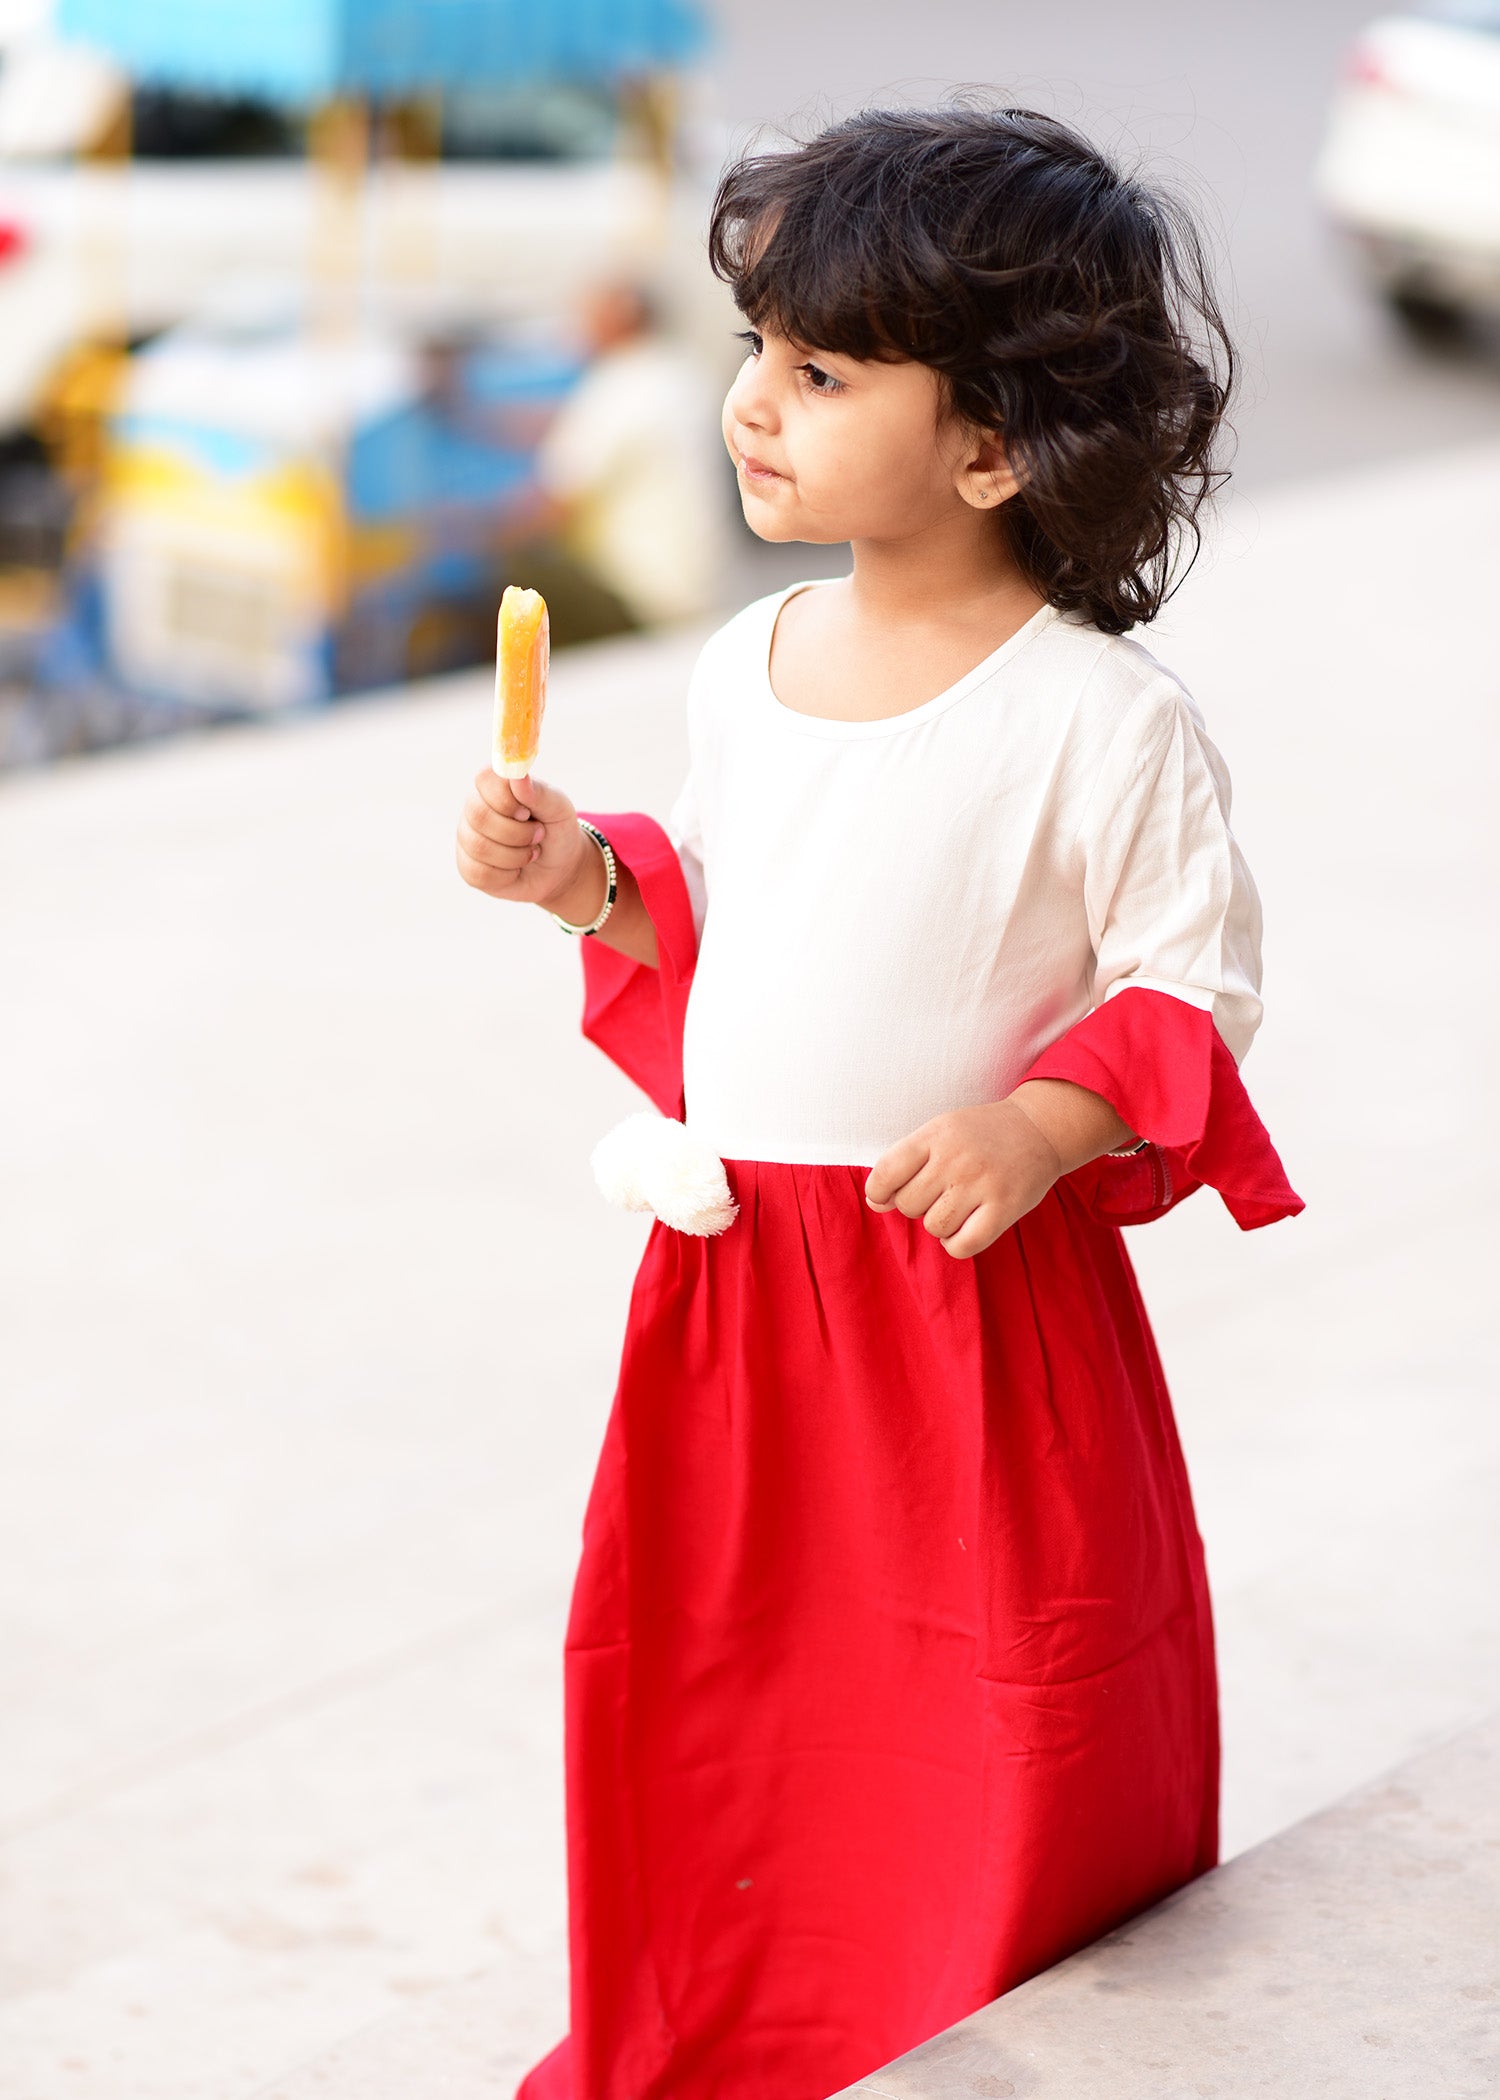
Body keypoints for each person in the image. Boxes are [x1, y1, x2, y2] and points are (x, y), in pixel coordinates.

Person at [455, 105, 1303, 2100]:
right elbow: (737, 926)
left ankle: (968, 1996)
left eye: (821, 374)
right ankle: (735, 2009)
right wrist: (585, 873)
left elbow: (1196, 975)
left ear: (994, 446)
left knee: (992, 1680)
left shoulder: (1100, 718)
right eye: (756, 350)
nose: (751, 405)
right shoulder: (749, 664)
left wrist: (1040, 1125)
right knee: (715, 1669)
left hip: (957, 1292)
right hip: (739, 1285)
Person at [522, 281, 730, 636]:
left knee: (514, 575)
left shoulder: (617, 383)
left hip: (635, 593)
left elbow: (557, 502)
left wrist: (467, 536)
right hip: (694, 588)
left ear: (621, 317)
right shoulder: (682, 373)